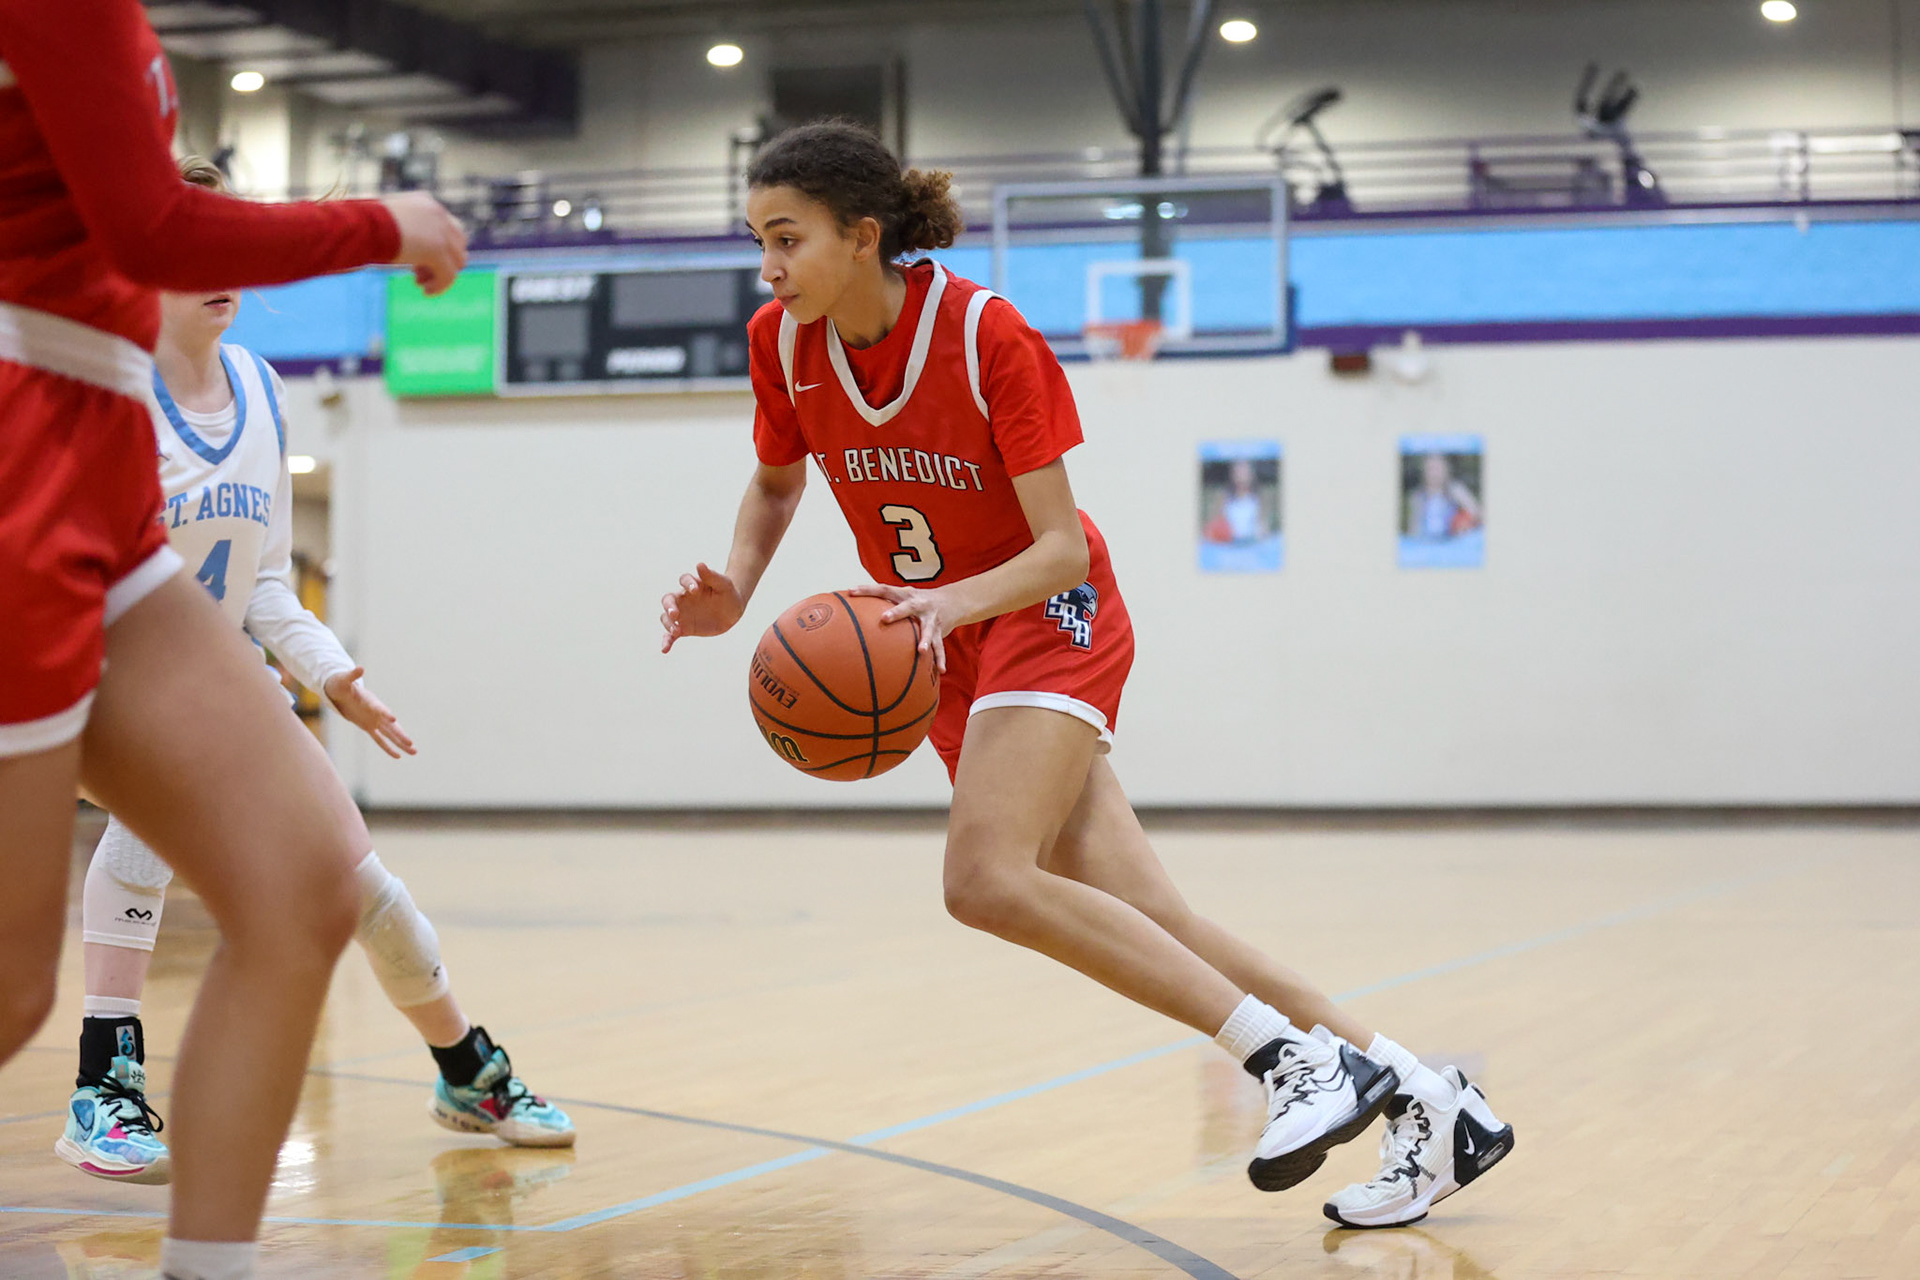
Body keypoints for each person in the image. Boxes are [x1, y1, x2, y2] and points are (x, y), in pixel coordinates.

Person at [660, 121, 1514, 1231]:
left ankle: (1291, 1061)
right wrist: (736, 584)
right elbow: (778, 483)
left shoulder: (985, 335)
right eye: (758, 242)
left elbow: (1060, 548)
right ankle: (1434, 1104)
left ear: (862, 236)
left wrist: (953, 602)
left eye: (788, 238)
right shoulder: (782, 344)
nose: (769, 267)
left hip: (1043, 610)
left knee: (983, 878)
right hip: (940, 638)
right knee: (1151, 915)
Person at [0, 4, 468, 1276]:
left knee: (305, 882)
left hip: (95, 471)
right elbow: (151, 228)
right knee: (13, 989)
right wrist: (383, 223)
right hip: (22, 457)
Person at [54, 158, 574, 1189]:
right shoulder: (106, 393)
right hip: (107, 677)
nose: (220, 270)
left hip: (221, 685)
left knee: (361, 886)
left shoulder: (261, 389)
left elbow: (265, 581)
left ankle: (467, 1071)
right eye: (191, 250)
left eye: (228, 247)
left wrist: (333, 677)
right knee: (145, 832)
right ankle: (102, 1086)